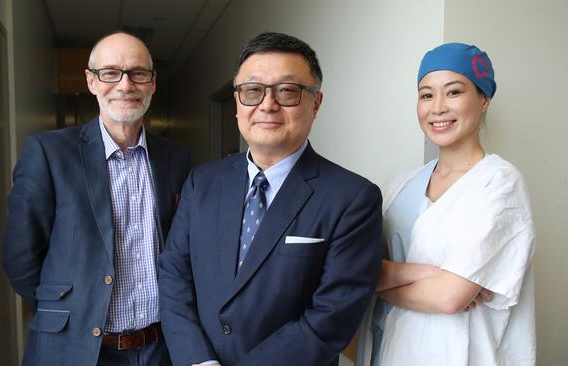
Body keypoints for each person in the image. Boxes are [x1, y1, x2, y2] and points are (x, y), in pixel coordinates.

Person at [158, 32, 383, 366]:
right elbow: (174, 275)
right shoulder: (202, 182)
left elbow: (331, 317)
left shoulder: (352, 198)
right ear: (237, 103)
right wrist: (198, 360)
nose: (267, 104)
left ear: (316, 103)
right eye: (252, 91)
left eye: (287, 91)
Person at [2, 31, 191, 366]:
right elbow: (21, 257)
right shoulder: (49, 152)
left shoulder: (176, 159)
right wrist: (66, 309)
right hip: (75, 350)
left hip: (160, 350)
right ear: (91, 81)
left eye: (138, 73)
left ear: (152, 83)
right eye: (110, 73)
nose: (125, 85)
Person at [356, 43, 536, 366]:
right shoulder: (401, 185)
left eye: (453, 92)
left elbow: (449, 297)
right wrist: (426, 274)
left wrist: (375, 284)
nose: (437, 107)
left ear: (483, 100)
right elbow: (356, 268)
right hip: (386, 350)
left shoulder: (498, 183)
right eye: (426, 95)